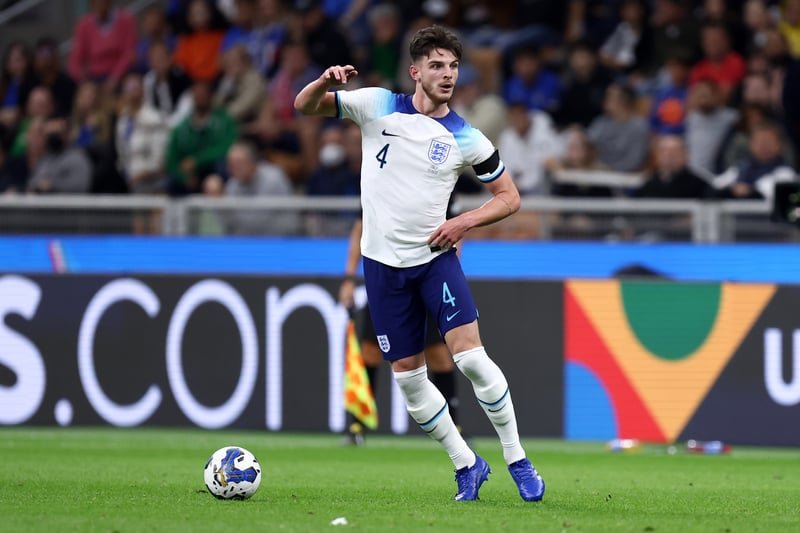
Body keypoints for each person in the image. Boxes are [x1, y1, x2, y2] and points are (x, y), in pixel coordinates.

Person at [294, 24, 545, 502]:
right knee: (409, 381)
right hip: (382, 269)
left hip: (434, 262)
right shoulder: (375, 105)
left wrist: (463, 222)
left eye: (453, 66)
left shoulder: (465, 136)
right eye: (437, 65)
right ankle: (467, 464)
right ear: (415, 71)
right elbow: (304, 106)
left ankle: (518, 460)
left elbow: (509, 197)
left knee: (471, 359)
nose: (447, 74)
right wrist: (324, 81)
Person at [338, 218, 461, 446]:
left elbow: (455, 230)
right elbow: (360, 227)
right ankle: (357, 425)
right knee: (370, 351)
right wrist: (349, 278)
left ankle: (454, 426)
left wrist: (447, 273)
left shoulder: (441, 195)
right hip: (388, 277)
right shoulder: (377, 193)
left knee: (438, 354)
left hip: (428, 276)